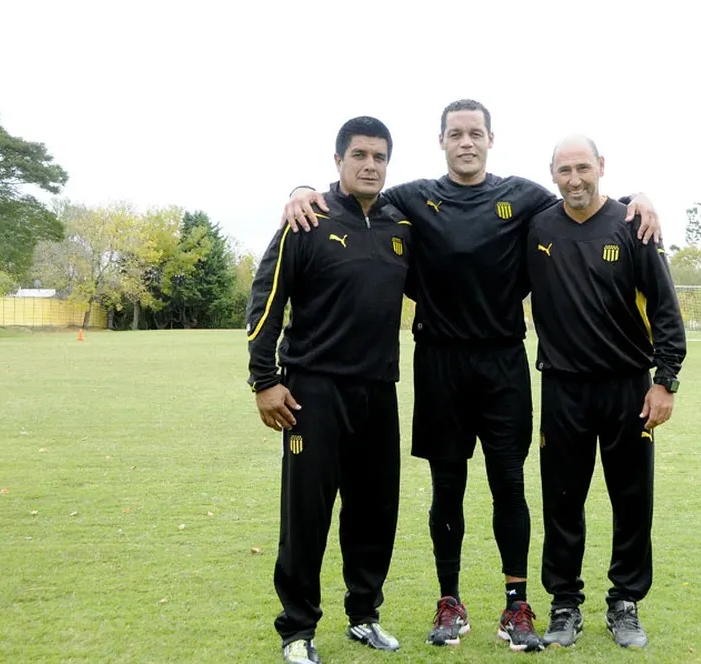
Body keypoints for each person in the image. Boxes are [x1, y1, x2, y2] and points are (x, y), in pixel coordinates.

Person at [282, 100, 664, 653]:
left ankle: (517, 606)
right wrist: (303, 189)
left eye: (475, 133)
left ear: (490, 139)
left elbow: (583, 199)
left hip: (504, 361)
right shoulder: (411, 198)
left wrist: (637, 198)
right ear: (441, 140)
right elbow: (353, 196)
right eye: (456, 134)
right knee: (448, 488)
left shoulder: (524, 197)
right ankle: (450, 602)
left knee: (509, 485)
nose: (466, 142)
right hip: (439, 361)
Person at [247, 116, 413, 664]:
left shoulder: (400, 225)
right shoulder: (307, 220)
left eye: (380, 157)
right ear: (338, 160)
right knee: (307, 514)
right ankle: (297, 629)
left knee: (374, 512)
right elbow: (266, 299)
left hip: (378, 391)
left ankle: (364, 615)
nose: (370, 165)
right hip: (312, 392)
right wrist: (265, 379)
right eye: (359, 155)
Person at [527, 135, 687, 650]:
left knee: (632, 499)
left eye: (583, 167)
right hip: (563, 387)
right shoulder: (538, 227)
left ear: (601, 166)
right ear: (552, 174)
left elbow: (665, 308)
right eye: (564, 170)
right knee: (562, 501)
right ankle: (564, 603)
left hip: (628, 388)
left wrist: (665, 380)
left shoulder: (633, 225)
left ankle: (625, 602)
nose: (574, 179)